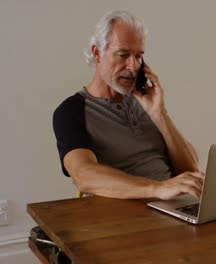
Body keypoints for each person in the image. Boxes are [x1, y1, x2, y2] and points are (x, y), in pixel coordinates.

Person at [53, 10, 204, 200]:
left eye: (139, 56)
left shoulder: (146, 101)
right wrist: (158, 189)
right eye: (123, 55)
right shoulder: (71, 111)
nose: (133, 67)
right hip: (122, 217)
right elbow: (83, 175)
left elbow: (190, 170)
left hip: (173, 208)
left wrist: (159, 115)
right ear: (97, 53)